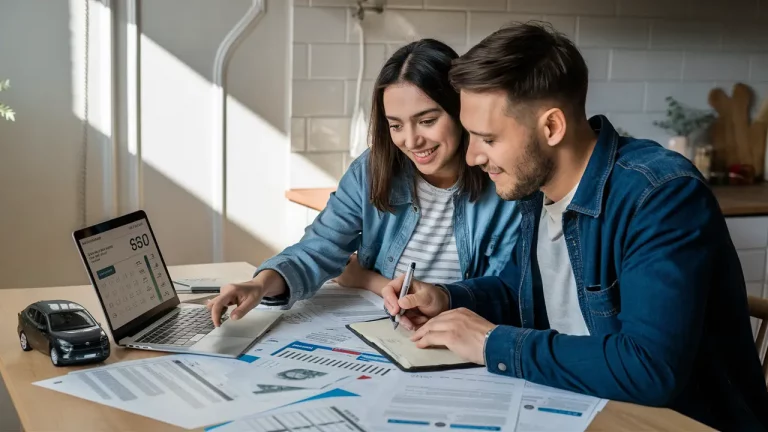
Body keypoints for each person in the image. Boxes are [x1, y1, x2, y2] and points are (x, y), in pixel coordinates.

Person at [381, 22, 768, 431]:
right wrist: (445, 297)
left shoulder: (661, 196)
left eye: (487, 139)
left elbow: (649, 369)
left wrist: (492, 342)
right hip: (576, 403)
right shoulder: (536, 189)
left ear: (551, 127)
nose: (473, 156)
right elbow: (518, 291)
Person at [207, 40, 520, 322]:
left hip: (463, 336)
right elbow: (319, 248)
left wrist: (369, 279)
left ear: (461, 111)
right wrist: (260, 284)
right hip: (385, 327)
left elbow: (506, 293)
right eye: (395, 125)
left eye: (427, 121)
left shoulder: (505, 181)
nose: (411, 140)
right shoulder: (372, 169)